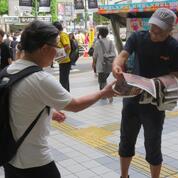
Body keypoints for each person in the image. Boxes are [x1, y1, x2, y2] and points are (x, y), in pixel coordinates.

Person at [3, 20, 115, 178]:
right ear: (44, 49)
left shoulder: (8, 71)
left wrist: (48, 113)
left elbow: (17, 105)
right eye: (56, 46)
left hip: (10, 156)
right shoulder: (39, 78)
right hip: (34, 161)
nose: (58, 51)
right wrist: (103, 92)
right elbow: (75, 105)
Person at [112, 8, 178, 178]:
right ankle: (124, 176)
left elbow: (174, 76)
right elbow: (122, 55)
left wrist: (155, 82)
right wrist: (117, 65)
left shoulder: (175, 48)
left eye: (159, 31)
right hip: (132, 100)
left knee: (153, 144)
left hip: (155, 103)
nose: (154, 33)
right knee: (126, 140)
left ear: (170, 30)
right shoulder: (138, 37)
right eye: (152, 27)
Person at [92, 27, 116, 103]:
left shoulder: (98, 42)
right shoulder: (110, 42)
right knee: (103, 80)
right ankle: (103, 96)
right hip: (109, 64)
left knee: (102, 81)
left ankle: (109, 95)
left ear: (100, 33)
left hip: (101, 65)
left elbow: (95, 55)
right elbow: (114, 53)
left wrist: (94, 63)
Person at [53, 21, 71, 91]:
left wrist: (59, 54)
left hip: (65, 61)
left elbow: (67, 47)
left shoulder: (63, 35)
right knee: (65, 80)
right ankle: (67, 95)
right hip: (63, 61)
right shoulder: (60, 35)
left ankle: (65, 97)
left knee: (63, 81)